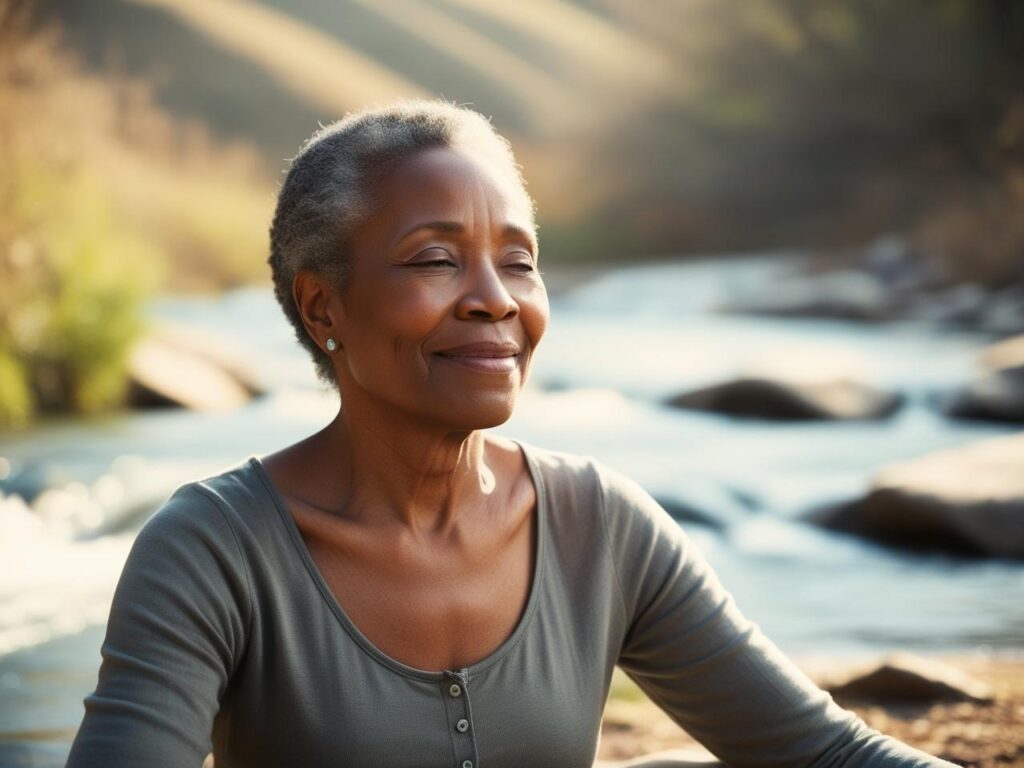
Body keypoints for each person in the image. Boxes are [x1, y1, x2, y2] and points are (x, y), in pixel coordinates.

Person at [67, 100, 956, 768]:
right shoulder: (211, 551)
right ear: (322, 304)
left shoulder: (598, 525)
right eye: (435, 258)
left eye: (519, 261)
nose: (496, 297)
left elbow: (826, 755)